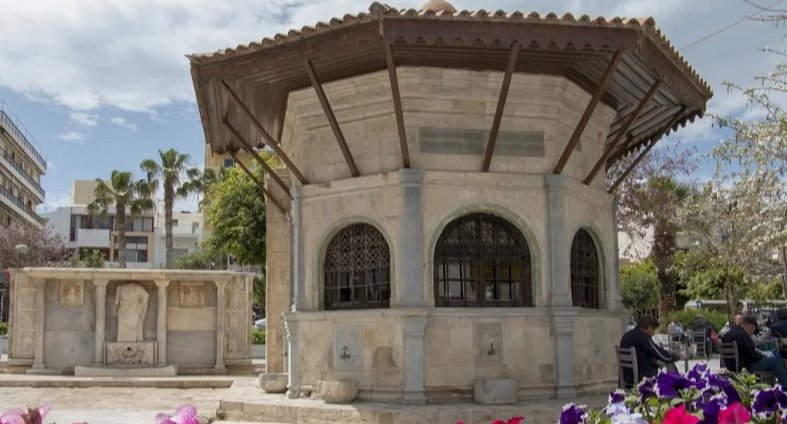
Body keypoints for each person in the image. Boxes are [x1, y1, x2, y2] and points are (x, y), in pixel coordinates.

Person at [721, 314, 787, 386]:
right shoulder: (743, 335)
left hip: (732, 365)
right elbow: (752, 354)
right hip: (745, 367)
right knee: (774, 359)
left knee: (774, 355)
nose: (755, 330)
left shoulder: (729, 333)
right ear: (750, 325)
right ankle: (784, 384)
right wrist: (763, 356)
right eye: (754, 328)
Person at [620, 315, 680, 387]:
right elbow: (658, 352)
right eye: (653, 330)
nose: (653, 334)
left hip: (626, 375)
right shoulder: (642, 337)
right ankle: (677, 386)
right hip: (640, 376)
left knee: (657, 360)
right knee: (667, 362)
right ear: (649, 328)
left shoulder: (627, 335)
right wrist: (675, 356)